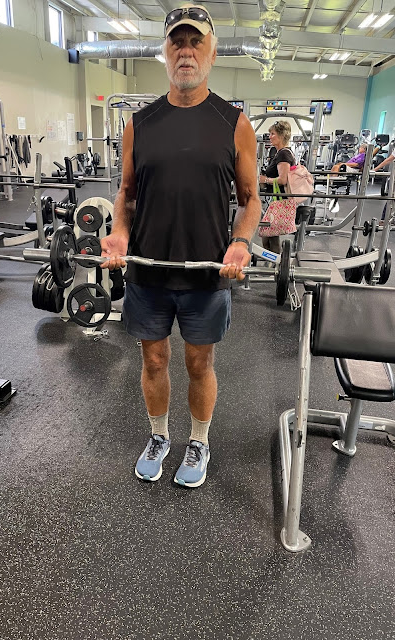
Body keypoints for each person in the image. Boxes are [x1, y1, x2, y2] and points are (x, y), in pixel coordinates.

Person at [100, 4, 261, 488]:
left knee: (199, 362)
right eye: (177, 42)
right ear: (164, 52)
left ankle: (199, 441)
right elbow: (126, 194)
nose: (186, 52)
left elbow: (251, 200)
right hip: (147, 272)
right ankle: (159, 436)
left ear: (212, 53)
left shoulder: (234, 122)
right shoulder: (140, 123)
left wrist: (240, 242)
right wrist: (119, 233)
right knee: (153, 359)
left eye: (196, 42)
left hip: (206, 274)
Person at [258, 120, 295, 255]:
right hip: (276, 199)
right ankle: (274, 262)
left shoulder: (283, 154)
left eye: (272, 134)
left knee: (269, 233)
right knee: (269, 234)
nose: (270, 136)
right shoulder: (281, 153)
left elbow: (282, 179)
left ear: (281, 136)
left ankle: (275, 262)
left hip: (280, 200)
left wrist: (265, 180)